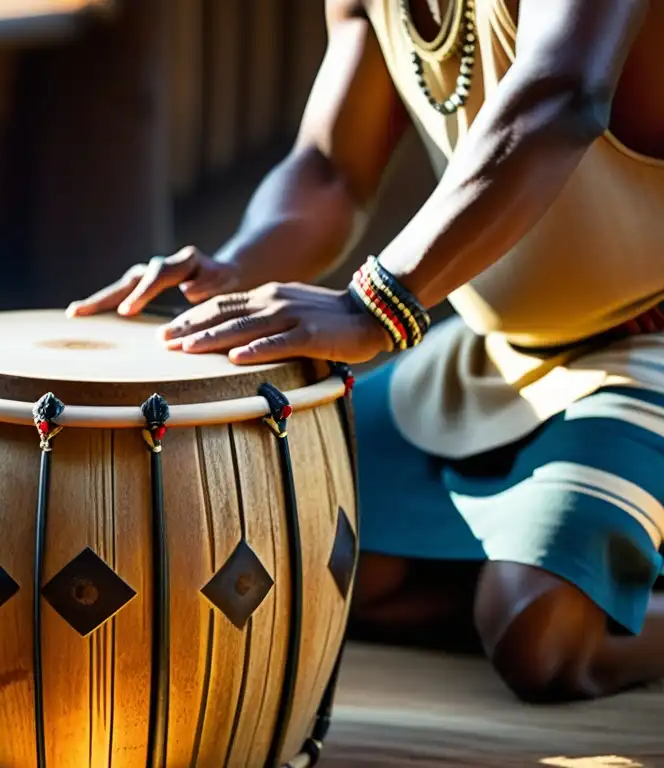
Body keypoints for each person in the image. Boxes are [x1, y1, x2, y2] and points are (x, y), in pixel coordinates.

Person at [67, 0, 664, 703]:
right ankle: (544, 567)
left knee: (543, 637)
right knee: (270, 562)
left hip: (644, 347)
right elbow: (330, 169)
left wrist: (374, 306)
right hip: (487, 356)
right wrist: (234, 265)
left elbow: (561, 96)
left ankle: (548, 583)